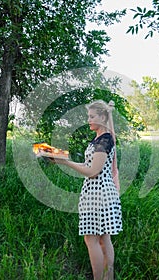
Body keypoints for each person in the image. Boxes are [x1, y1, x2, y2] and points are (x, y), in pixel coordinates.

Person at [53, 100, 122, 280]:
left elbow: (92, 171)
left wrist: (67, 163)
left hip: (98, 192)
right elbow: (88, 164)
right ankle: (108, 278)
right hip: (98, 191)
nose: (88, 120)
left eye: (91, 116)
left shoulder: (104, 140)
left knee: (92, 239)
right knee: (102, 239)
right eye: (88, 116)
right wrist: (61, 160)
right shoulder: (101, 138)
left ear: (102, 117)